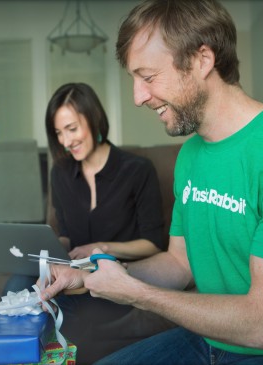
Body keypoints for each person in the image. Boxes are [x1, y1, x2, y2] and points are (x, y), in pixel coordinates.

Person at [39, 1, 263, 364]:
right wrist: (93, 275)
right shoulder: (191, 155)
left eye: (148, 77)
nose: (138, 97)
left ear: (202, 60)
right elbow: (179, 263)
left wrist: (135, 293)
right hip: (212, 338)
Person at [29, 82, 173, 364]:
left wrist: (101, 246)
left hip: (111, 277)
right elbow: (67, 235)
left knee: (66, 307)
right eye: (59, 133)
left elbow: (154, 244)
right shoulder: (61, 173)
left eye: (72, 129)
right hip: (72, 271)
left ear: (94, 119)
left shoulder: (137, 170)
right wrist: (50, 251)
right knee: (20, 284)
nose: (66, 141)